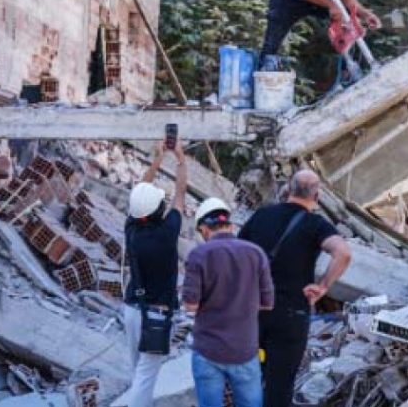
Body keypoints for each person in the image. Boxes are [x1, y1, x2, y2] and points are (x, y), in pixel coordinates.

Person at [239, 170, 353, 407]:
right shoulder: (315, 225)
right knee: (279, 385)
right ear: (317, 195)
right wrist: (323, 286)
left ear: (288, 190)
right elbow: (343, 253)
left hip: (254, 314)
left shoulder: (261, 216)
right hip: (289, 318)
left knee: (250, 377)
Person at [183, 198, 274, 407]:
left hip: (208, 350)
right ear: (230, 226)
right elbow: (267, 303)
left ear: (204, 229)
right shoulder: (256, 253)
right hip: (245, 350)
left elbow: (190, 306)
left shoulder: (199, 255)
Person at [121, 140, 187, 407]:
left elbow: (139, 193)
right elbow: (180, 195)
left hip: (132, 309)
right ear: (159, 209)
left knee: (138, 372)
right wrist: (180, 160)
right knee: (146, 376)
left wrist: (157, 161)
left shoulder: (131, 229)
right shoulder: (167, 233)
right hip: (157, 315)